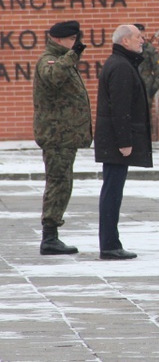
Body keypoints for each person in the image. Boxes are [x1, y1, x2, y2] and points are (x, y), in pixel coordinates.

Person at [33, 20, 91, 255]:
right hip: (57, 136)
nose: (75, 44)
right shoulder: (50, 59)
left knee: (62, 183)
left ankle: (52, 235)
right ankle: (49, 237)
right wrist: (71, 56)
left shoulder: (63, 59)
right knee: (58, 183)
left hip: (65, 136)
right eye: (71, 40)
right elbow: (53, 77)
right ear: (58, 39)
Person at [94, 25, 153, 260]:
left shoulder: (122, 63)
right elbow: (120, 107)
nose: (143, 41)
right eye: (138, 37)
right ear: (126, 41)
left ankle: (111, 242)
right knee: (112, 192)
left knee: (112, 190)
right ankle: (109, 245)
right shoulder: (120, 66)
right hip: (116, 141)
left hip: (114, 140)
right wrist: (124, 141)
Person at [134, 23, 159, 116]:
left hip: (146, 85)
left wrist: (154, 87)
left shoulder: (149, 49)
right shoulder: (129, 49)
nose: (141, 40)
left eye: (142, 36)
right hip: (132, 85)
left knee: (145, 116)